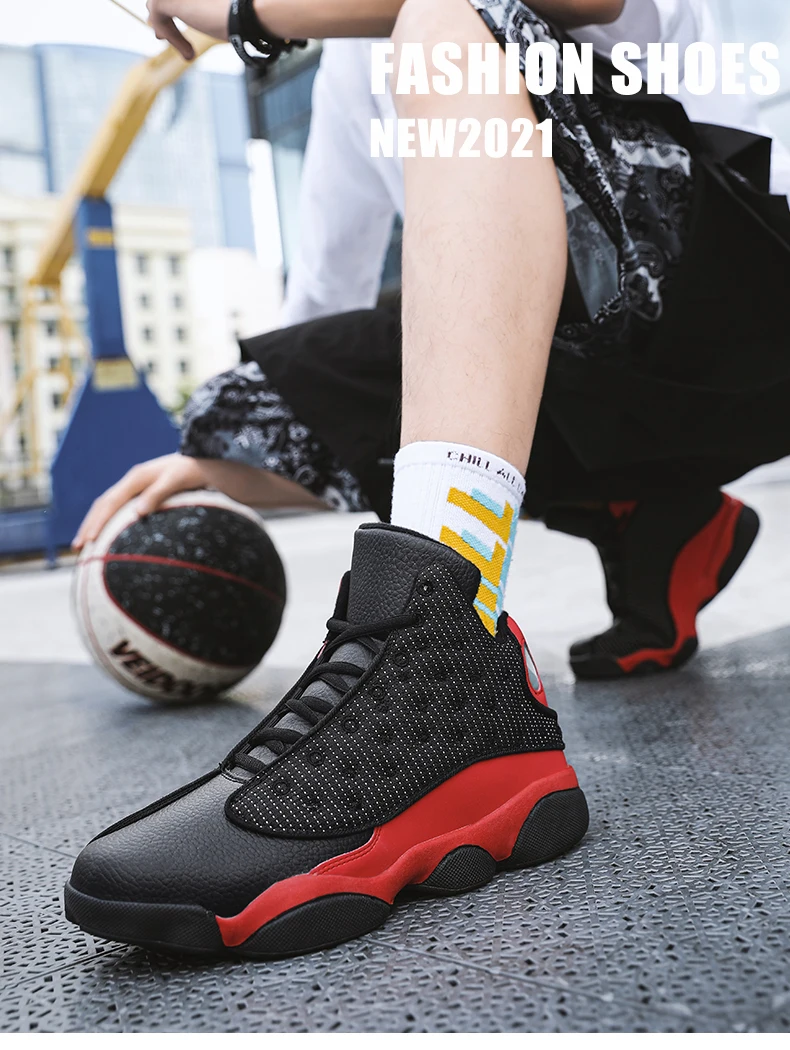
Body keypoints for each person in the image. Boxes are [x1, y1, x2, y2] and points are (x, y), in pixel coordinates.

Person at [64, 0, 790, 959]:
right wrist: (215, 459)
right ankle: (657, 520)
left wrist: (246, 10)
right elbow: (321, 319)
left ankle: (443, 650)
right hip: (612, 377)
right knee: (277, 391)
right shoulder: (347, 73)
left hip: (749, 300)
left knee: (447, 22)